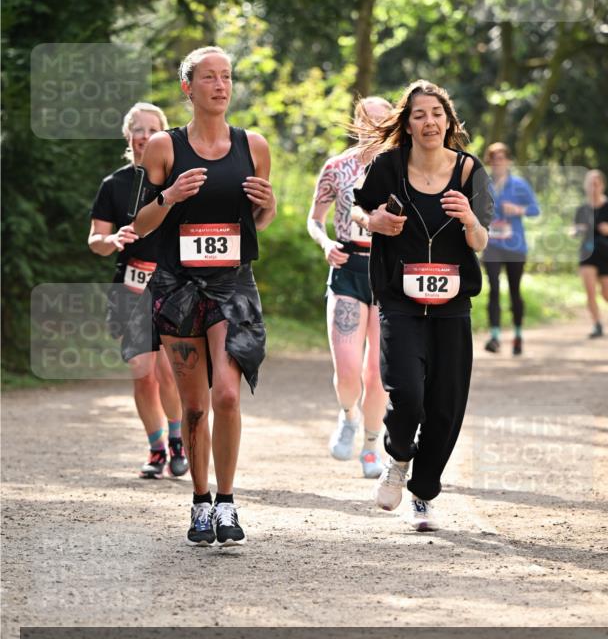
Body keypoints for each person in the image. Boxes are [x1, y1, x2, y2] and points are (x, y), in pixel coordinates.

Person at [129, 46, 276, 547]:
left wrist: (270, 205)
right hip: (177, 288)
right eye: (209, 77)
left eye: (226, 76)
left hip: (233, 284)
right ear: (187, 88)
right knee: (194, 408)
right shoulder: (163, 148)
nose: (220, 85)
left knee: (227, 394)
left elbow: (259, 222)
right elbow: (140, 224)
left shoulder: (253, 146)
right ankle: (200, 502)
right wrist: (170, 196)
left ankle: (228, 501)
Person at [354, 80, 494, 531]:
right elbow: (357, 209)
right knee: (407, 393)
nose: (429, 121)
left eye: (437, 113)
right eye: (420, 115)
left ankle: (424, 493)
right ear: (408, 124)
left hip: (452, 305)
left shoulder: (469, 171)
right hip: (400, 300)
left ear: (449, 121)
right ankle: (398, 457)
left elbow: (481, 240)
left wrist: (468, 218)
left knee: (445, 405)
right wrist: (373, 221)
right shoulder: (389, 166)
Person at [88, 102, 188, 480]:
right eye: (138, 129)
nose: (145, 136)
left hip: (171, 287)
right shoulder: (114, 184)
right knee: (142, 373)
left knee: (168, 373)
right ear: (128, 135)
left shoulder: (177, 181)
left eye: (153, 129)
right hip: (130, 287)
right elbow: (95, 240)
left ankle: (178, 441)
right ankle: (157, 448)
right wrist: (112, 239)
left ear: (164, 134)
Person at [307, 97, 392, 478]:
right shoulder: (337, 167)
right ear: (357, 124)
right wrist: (325, 243)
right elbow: (315, 219)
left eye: (383, 121)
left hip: (387, 272)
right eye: (368, 121)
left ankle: (372, 446)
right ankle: (348, 415)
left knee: (376, 373)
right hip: (347, 268)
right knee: (347, 370)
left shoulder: (402, 167)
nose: (375, 128)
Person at [482, 142, 540, 356]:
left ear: (508, 161)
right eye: (494, 159)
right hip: (492, 244)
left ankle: (517, 335)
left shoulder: (519, 184)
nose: (498, 162)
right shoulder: (484, 184)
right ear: (489, 162)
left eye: (501, 158)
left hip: (515, 244)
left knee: (515, 290)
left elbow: (535, 209)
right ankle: (495, 336)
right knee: (493, 288)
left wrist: (518, 209)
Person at [573, 169, 608, 338]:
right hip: (587, 254)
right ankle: (597, 324)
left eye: (596, 184)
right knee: (590, 292)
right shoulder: (582, 209)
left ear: (602, 186)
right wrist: (577, 231)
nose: (593, 188)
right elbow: (573, 229)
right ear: (585, 186)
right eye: (590, 184)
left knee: (606, 294)